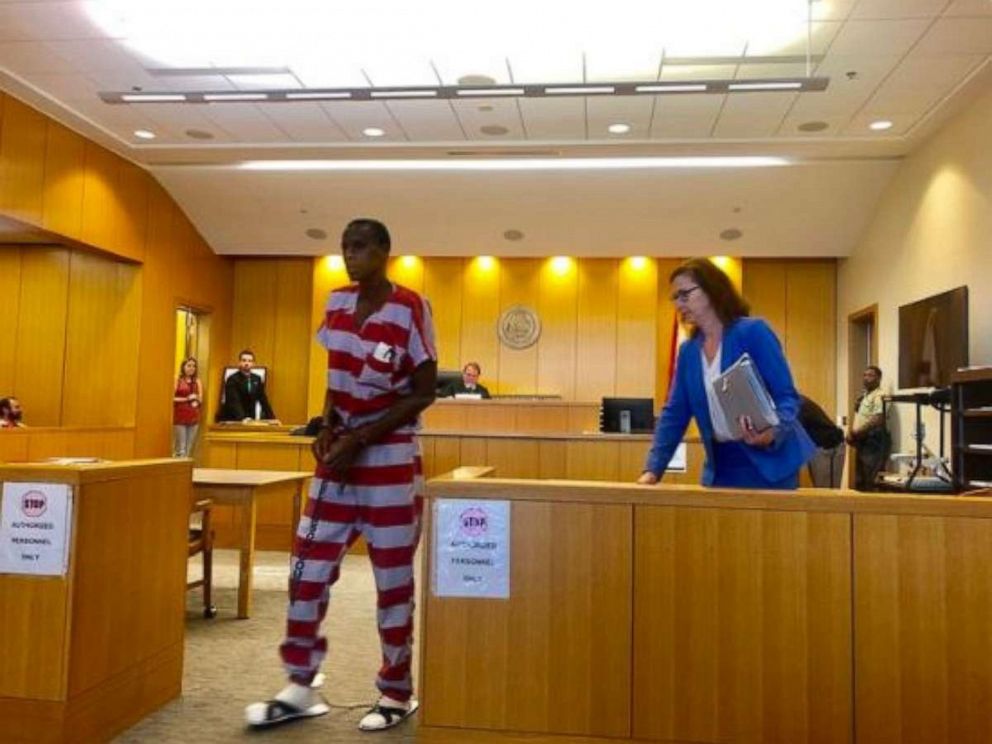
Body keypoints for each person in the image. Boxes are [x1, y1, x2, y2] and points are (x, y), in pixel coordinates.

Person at [246, 218, 437, 732]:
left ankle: (397, 692)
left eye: (360, 247)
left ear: (384, 251)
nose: (350, 256)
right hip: (339, 462)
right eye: (345, 248)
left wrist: (362, 438)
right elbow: (336, 378)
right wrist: (327, 428)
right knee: (305, 572)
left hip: (391, 462)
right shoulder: (334, 302)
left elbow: (423, 390)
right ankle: (301, 684)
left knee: (392, 582)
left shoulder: (411, 306)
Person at [637, 259, 815, 489]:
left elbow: (787, 396)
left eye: (685, 294)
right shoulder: (689, 352)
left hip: (769, 466)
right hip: (720, 469)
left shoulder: (753, 332)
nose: (679, 304)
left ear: (712, 290)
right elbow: (674, 414)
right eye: (675, 298)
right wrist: (652, 470)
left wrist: (774, 432)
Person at [847, 365, 889, 491]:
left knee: (871, 478)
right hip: (863, 440)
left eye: (870, 375)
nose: (866, 378)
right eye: (864, 375)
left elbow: (878, 418)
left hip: (874, 441)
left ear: (879, 379)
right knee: (860, 479)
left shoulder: (880, 395)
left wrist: (856, 432)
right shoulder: (865, 396)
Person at [798, 395, 846, 487]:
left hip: (829, 447)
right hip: (816, 447)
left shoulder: (798, 404)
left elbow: (795, 435)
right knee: (820, 489)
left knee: (827, 492)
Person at [217, 349, 277, 422]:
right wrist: (242, 418)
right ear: (239, 362)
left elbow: (263, 400)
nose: (246, 363)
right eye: (244, 360)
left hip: (250, 419)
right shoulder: (232, 379)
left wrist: (273, 419)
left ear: (253, 363)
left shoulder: (257, 379)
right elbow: (234, 401)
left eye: (249, 361)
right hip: (233, 419)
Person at [172, 357, 203, 457]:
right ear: (183, 367)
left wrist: (196, 398)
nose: (191, 368)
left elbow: (201, 399)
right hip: (180, 417)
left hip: (193, 417)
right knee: (181, 448)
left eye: (194, 366)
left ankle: (185, 469)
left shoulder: (197, 381)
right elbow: (171, 398)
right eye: (189, 365)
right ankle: (177, 469)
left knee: (189, 448)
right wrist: (186, 399)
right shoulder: (178, 379)